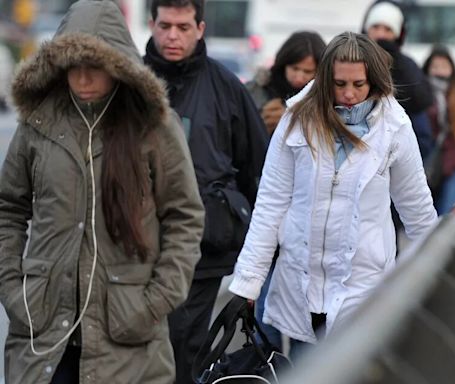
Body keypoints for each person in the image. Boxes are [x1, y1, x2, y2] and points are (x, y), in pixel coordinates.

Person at [0, 1, 205, 383]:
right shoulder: (38, 123)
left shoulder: (154, 127)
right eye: (72, 67)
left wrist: (155, 301)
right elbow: (8, 209)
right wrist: (14, 290)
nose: (82, 79)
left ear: (118, 65)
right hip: (45, 332)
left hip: (127, 336)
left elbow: (185, 217)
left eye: (94, 67)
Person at [228, 32, 438, 359]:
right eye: (340, 84)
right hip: (299, 284)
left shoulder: (394, 127)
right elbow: (270, 203)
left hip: (363, 287)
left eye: (359, 84)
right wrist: (248, 282)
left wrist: (433, 282)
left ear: (375, 81)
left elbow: (417, 210)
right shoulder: (296, 120)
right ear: (326, 79)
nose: (350, 94)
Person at [143, 1, 269, 383]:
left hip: (205, 249)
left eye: (183, 27)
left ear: (200, 28)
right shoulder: (129, 82)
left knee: (187, 350)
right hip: (137, 247)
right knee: (140, 350)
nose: (172, 36)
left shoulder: (226, 87)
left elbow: (258, 170)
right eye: (165, 26)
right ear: (152, 24)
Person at [245, 30, 326, 350]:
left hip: (307, 221)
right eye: (295, 69)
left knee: (308, 316)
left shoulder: (325, 103)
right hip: (264, 209)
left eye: (309, 72)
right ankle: (267, 364)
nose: (300, 78)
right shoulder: (258, 94)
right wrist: (266, 129)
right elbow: (245, 151)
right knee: (266, 311)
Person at [362, 0, 434, 159]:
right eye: (375, 27)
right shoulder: (353, 60)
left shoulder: (407, 65)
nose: (381, 34)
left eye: (387, 29)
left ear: (398, 34)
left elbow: (421, 103)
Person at [422, 45, 455, 215]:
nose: (439, 71)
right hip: (427, 161)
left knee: (447, 216)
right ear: (428, 68)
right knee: (425, 217)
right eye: (435, 66)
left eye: (444, 66)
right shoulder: (422, 92)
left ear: (452, 68)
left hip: (454, 162)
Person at [246, 31, 326, 136]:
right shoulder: (256, 90)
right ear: (283, 64)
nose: (299, 77)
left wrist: (289, 121)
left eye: (307, 71)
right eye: (294, 68)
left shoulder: (325, 98)